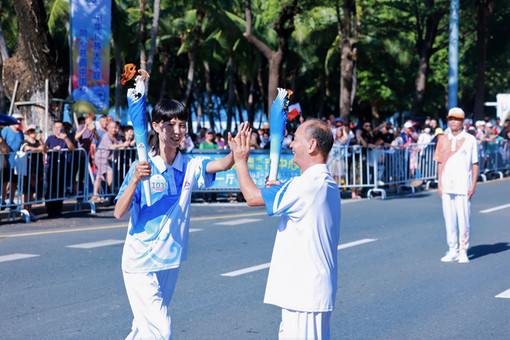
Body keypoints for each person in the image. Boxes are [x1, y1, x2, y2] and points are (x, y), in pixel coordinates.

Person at [113, 99, 238, 339]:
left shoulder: (189, 165)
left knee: (143, 330)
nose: (177, 131)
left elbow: (221, 164)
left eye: (182, 125)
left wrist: (236, 152)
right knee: (161, 330)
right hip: (141, 262)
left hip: (169, 261)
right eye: (170, 125)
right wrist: (135, 180)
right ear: (156, 126)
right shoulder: (142, 167)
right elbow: (119, 212)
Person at [228, 118, 341, 340]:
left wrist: (240, 160)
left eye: (296, 139)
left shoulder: (305, 186)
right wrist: (283, 190)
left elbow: (252, 197)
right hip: (307, 293)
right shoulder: (322, 182)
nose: (290, 144)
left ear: (312, 146)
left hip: (306, 295)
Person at [434, 107, 479, 264]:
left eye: (456, 119)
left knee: (463, 220)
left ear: (462, 121)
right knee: (449, 219)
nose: (453, 122)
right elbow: (439, 163)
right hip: (447, 185)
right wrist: (439, 183)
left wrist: (472, 185)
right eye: (450, 119)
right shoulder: (442, 139)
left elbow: (475, 164)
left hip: (463, 186)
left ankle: (463, 251)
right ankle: (452, 249)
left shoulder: (470, 139)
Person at [90, 121, 131, 203]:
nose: (114, 129)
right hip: (100, 158)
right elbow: (112, 146)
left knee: (99, 176)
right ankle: (113, 191)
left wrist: (127, 141)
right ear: (108, 128)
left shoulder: (117, 137)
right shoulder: (106, 136)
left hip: (107, 160)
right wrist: (123, 145)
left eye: (115, 128)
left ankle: (95, 195)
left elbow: (122, 146)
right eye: (112, 128)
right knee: (109, 172)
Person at [45, 121, 76, 217]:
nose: (59, 130)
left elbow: (72, 148)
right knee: (50, 187)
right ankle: (50, 209)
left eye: (60, 127)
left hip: (62, 166)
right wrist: (52, 148)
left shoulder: (66, 138)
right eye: (57, 127)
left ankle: (58, 208)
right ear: (54, 128)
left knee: (60, 187)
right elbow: (45, 148)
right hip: (51, 166)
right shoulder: (50, 138)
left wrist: (66, 139)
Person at [20, 124, 46, 221]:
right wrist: (37, 149)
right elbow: (26, 148)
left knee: (32, 192)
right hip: (28, 169)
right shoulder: (25, 142)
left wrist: (40, 141)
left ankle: (29, 211)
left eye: (35, 131)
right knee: (26, 192)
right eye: (31, 131)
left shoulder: (38, 142)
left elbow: (44, 149)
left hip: (37, 168)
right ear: (28, 132)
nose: (34, 133)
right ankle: (24, 212)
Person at [1, 112, 24, 206]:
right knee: (5, 181)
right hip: (7, 160)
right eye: (17, 120)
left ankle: (11, 199)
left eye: (20, 120)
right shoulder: (6, 130)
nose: (18, 122)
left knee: (14, 181)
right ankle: (2, 199)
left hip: (17, 161)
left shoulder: (21, 133)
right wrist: (4, 158)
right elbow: (2, 144)